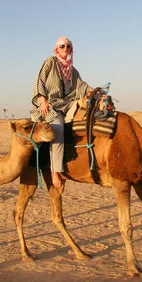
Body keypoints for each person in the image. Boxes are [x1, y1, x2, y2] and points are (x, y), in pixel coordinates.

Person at [30, 36, 93, 188]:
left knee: (86, 116)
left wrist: (96, 91)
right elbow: (40, 81)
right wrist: (43, 100)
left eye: (69, 46)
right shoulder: (50, 62)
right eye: (62, 46)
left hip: (67, 104)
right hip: (49, 104)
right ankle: (55, 170)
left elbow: (82, 87)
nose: (66, 49)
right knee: (57, 126)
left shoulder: (73, 71)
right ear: (56, 49)